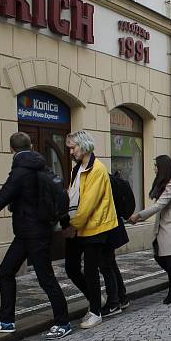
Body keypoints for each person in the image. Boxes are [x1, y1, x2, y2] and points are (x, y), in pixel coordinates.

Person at [0, 132, 70, 339]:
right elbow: (59, 195)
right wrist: (65, 223)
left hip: (35, 233)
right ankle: (6, 321)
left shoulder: (21, 171)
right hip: (28, 232)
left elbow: (0, 199)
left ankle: (63, 322)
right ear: (31, 145)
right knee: (6, 270)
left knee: (45, 278)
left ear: (11, 149)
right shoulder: (41, 165)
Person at [61, 131, 118, 330]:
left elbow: (88, 204)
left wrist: (72, 226)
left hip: (95, 227)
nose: (70, 152)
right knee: (71, 267)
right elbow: (73, 197)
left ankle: (96, 312)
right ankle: (96, 298)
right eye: (69, 148)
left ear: (83, 146)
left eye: (73, 147)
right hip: (79, 225)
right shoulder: (77, 169)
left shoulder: (97, 169)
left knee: (92, 270)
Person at [129, 155, 171, 305]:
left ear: (163, 167)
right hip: (163, 225)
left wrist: (138, 216)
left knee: (169, 259)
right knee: (159, 256)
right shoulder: (164, 183)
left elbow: (159, 205)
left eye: (156, 165)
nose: (154, 168)